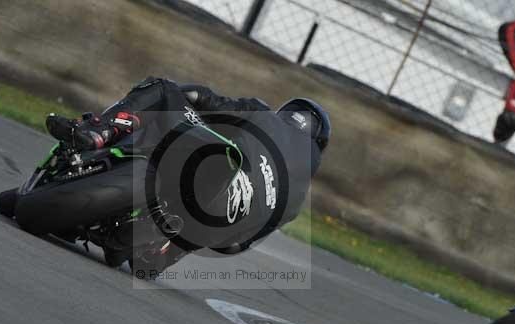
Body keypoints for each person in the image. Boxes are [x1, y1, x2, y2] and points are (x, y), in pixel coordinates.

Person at [47, 77, 331, 276]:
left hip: (211, 165)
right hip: (208, 226)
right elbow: (233, 246)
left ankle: (99, 133)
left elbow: (202, 99)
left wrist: (178, 98)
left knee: (162, 88)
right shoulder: (294, 203)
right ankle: (159, 244)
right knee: (155, 263)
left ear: (288, 114)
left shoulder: (263, 114)